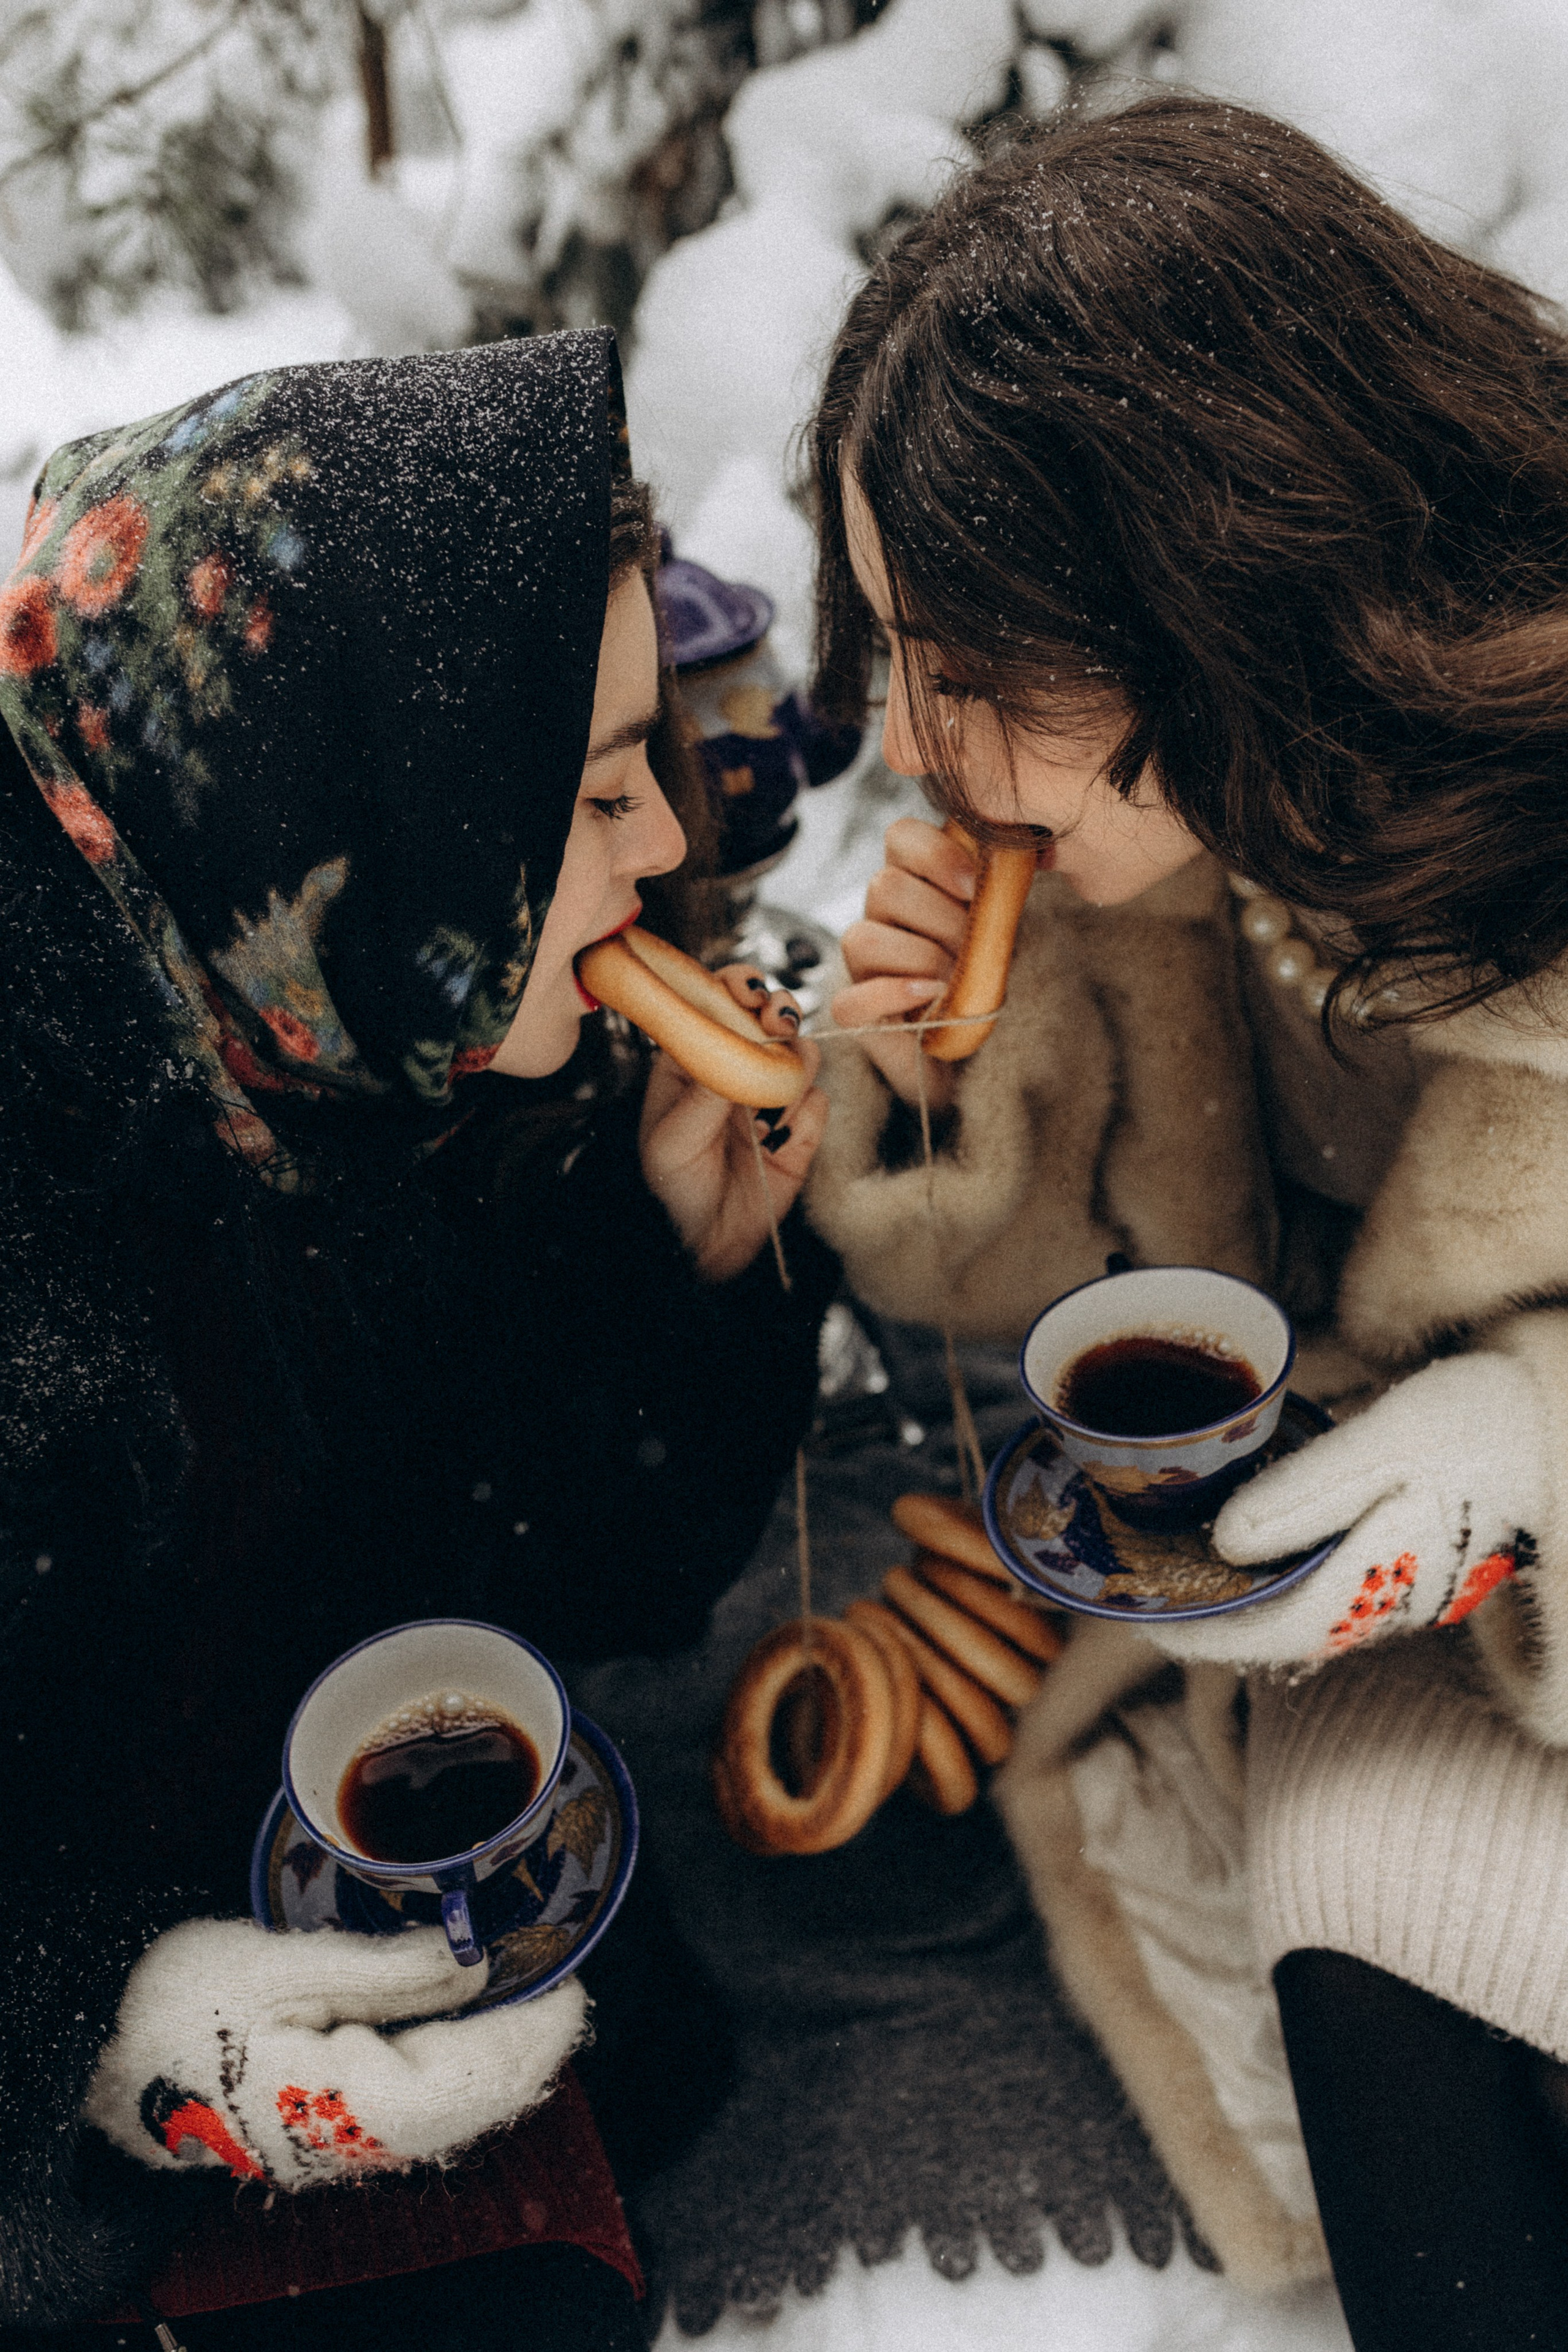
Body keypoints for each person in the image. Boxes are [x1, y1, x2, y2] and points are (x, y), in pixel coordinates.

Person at [802, 97, 1568, 2351]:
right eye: (894, 651)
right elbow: (1130, 1320)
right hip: (1426, 1643)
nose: (914, 740)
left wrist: (1534, 1437)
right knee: (1342, 1858)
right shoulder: (1189, 845)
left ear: (1213, 583)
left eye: (973, 663)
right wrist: (971, 1095)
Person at [0, 328, 834, 2346]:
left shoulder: (357, 1030)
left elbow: (563, 1576)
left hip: (365, 1989)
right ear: (374, 786)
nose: (663, 850)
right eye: (606, 781)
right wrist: (108, 2025)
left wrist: (680, 1268)